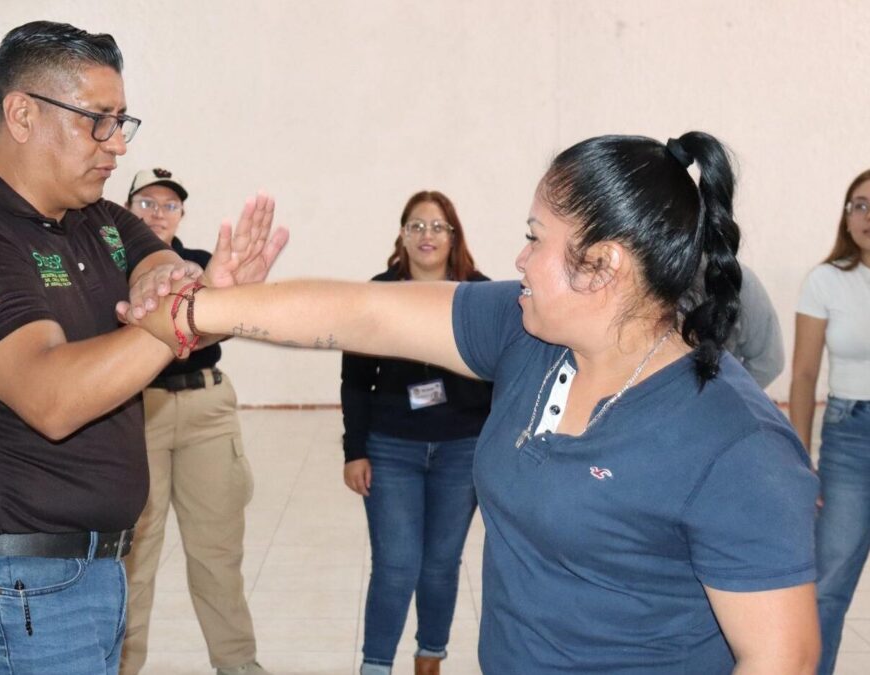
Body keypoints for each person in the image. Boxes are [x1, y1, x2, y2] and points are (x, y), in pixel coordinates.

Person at [133, 132, 821, 673]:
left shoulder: (735, 444)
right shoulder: (529, 336)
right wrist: (203, 308)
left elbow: (782, 658)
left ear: (604, 264)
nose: (518, 258)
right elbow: (365, 312)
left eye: (534, 237)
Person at [0, 21, 285, 674]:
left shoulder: (96, 218)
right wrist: (185, 317)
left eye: (124, 122)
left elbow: (160, 274)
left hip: (82, 574)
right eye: (97, 120)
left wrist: (202, 291)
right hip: (8, 585)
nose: (118, 144)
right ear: (21, 113)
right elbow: (53, 395)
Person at [120, 168, 268, 675]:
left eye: (169, 205)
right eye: (146, 203)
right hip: (138, 414)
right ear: (126, 208)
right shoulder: (106, 266)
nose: (158, 213)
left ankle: (239, 665)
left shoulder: (202, 266)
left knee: (217, 556)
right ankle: (121, 666)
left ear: (182, 214)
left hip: (207, 412)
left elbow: (218, 320)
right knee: (134, 561)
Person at [340, 190, 490, 675]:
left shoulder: (480, 295)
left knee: (441, 565)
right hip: (391, 448)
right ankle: (376, 665)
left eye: (437, 226)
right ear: (402, 235)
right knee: (396, 564)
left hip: (462, 448)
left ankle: (430, 658)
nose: (427, 235)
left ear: (454, 236)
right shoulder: (377, 293)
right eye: (417, 226)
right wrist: (355, 450)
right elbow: (356, 381)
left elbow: (503, 377)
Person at [790, 169, 870, 674]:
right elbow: (802, 374)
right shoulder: (826, 280)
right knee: (827, 590)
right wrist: (800, 460)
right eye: (859, 204)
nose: (868, 216)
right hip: (850, 442)